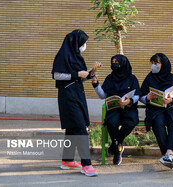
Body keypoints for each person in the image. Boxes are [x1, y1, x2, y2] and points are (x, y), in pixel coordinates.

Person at [51, 29, 100, 177]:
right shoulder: (62, 55)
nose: (85, 45)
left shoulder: (77, 57)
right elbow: (56, 75)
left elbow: (80, 78)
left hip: (78, 95)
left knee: (72, 128)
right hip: (67, 97)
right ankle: (86, 164)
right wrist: (76, 74)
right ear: (75, 42)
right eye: (84, 42)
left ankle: (67, 160)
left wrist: (91, 73)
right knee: (79, 128)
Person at [140, 53, 173, 169]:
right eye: (152, 63)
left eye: (156, 63)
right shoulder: (149, 78)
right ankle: (166, 154)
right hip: (155, 109)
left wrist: (171, 100)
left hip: (171, 108)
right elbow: (141, 96)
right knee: (158, 123)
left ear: (164, 64)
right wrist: (147, 98)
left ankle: (169, 153)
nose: (153, 66)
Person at [92, 54, 141, 165]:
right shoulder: (110, 78)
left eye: (116, 61)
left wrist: (130, 101)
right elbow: (103, 95)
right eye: (113, 61)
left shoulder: (132, 78)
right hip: (114, 108)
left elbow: (137, 94)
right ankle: (118, 149)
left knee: (130, 122)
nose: (114, 63)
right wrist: (96, 84)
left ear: (123, 63)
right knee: (111, 122)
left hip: (129, 108)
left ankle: (115, 144)